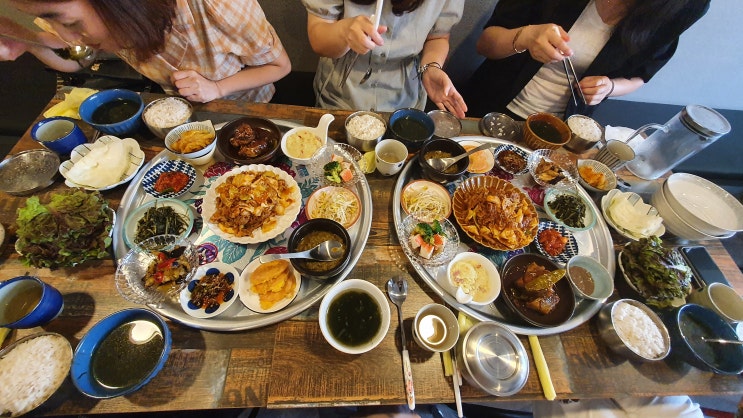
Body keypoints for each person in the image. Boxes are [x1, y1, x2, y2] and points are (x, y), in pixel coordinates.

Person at [0, 0, 291, 103]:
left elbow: (279, 66)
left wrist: (217, 88)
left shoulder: (218, 5)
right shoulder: (123, 20)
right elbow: (76, 60)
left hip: (247, 105)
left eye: (69, 22)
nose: (66, 35)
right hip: (180, 109)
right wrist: (27, 40)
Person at [461, 0, 710, 119]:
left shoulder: (676, 10)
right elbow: (485, 44)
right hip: (487, 109)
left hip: (562, 130)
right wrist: (525, 37)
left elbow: (641, 75)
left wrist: (610, 87)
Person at [302, 0, 467, 118]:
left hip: (404, 99)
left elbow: (438, 37)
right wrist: (343, 31)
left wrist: (431, 67)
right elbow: (319, 37)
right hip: (340, 95)